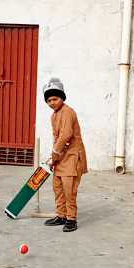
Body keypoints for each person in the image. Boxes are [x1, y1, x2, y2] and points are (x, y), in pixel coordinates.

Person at [43, 78, 88, 232]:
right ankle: (61, 215)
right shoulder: (54, 116)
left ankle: (71, 219)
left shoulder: (68, 112)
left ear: (62, 97)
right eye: (48, 100)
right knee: (58, 188)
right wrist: (54, 157)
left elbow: (66, 135)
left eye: (55, 99)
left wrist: (55, 154)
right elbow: (57, 138)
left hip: (73, 157)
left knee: (69, 190)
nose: (52, 103)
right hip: (61, 158)